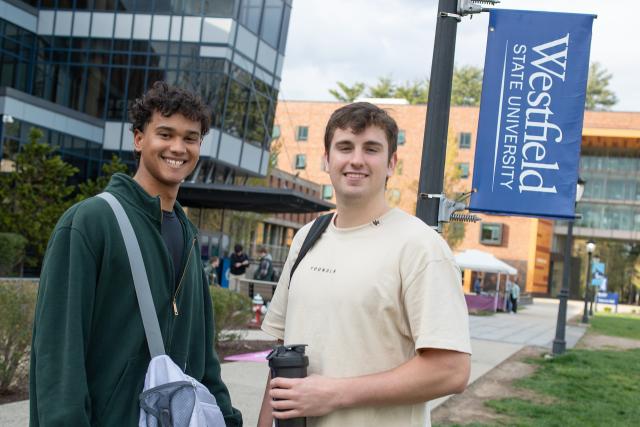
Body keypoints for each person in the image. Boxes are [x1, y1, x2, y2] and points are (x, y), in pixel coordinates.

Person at [29, 82, 242, 426]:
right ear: (139, 139)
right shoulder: (90, 222)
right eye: (165, 134)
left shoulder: (187, 235)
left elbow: (204, 361)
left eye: (190, 138)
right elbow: (58, 354)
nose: (178, 147)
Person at [258, 102, 471, 427]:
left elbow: (451, 371)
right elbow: (280, 365)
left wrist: (335, 393)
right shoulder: (306, 239)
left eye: (371, 149)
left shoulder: (420, 247)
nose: (356, 159)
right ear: (326, 159)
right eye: (345, 147)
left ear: (391, 163)